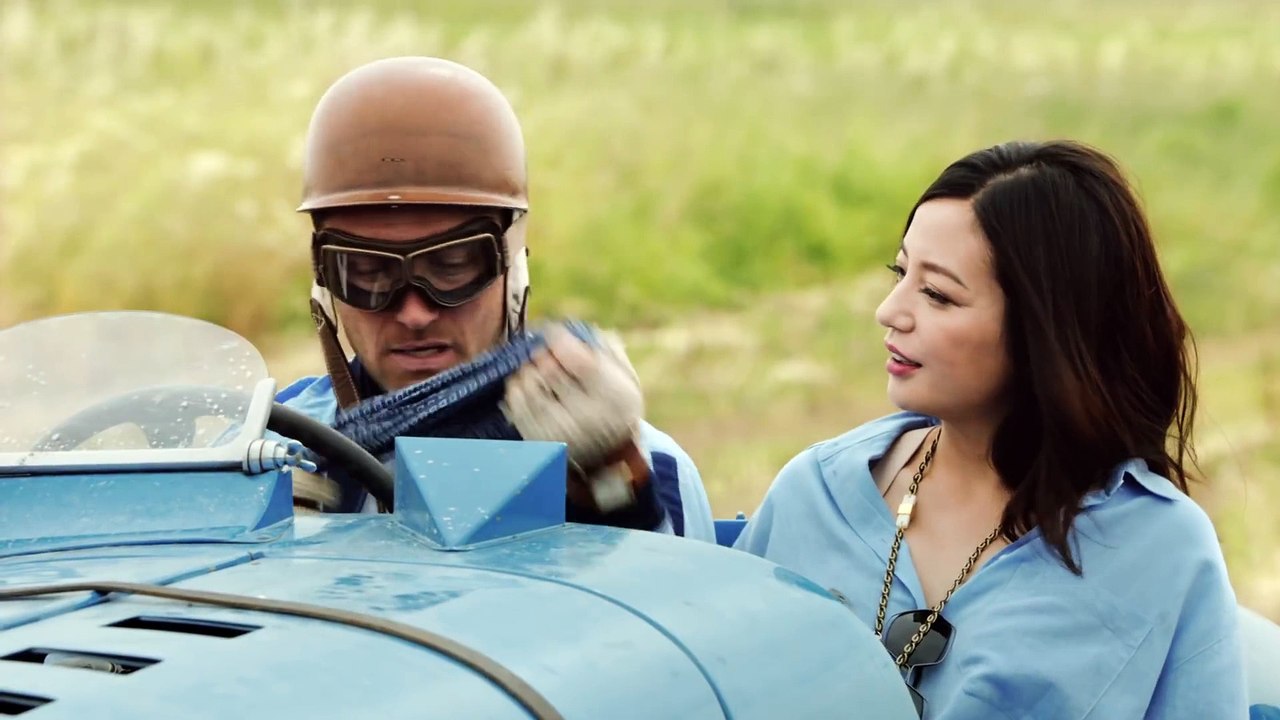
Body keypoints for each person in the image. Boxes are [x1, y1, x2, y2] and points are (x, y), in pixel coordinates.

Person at [734, 140, 1246, 718]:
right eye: (900, 272)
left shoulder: (1158, 550)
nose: (891, 310)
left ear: (1044, 332)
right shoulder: (816, 493)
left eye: (937, 293)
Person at [275, 56, 714, 541]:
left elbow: (667, 606)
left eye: (451, 267)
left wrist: (617, 488)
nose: (414, 312)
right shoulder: (270, 447)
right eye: (366, 272)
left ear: (512, 267)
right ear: (324, 282)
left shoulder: (644, 467)